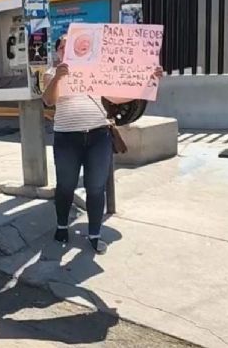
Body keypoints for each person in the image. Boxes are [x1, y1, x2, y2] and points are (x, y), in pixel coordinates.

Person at [42, 36, 162, 254]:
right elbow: (49, 100)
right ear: (59, 51)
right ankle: (61, 226)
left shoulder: (96, 72)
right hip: (67, 138)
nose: (69, 50)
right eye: (64, 47)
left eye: (76, 46)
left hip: (98, 137)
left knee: (96, 187)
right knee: (66, 185)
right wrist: (58, 78)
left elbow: (117, 98)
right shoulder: (51, 73)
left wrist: (148, 80)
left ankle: (95, 234)